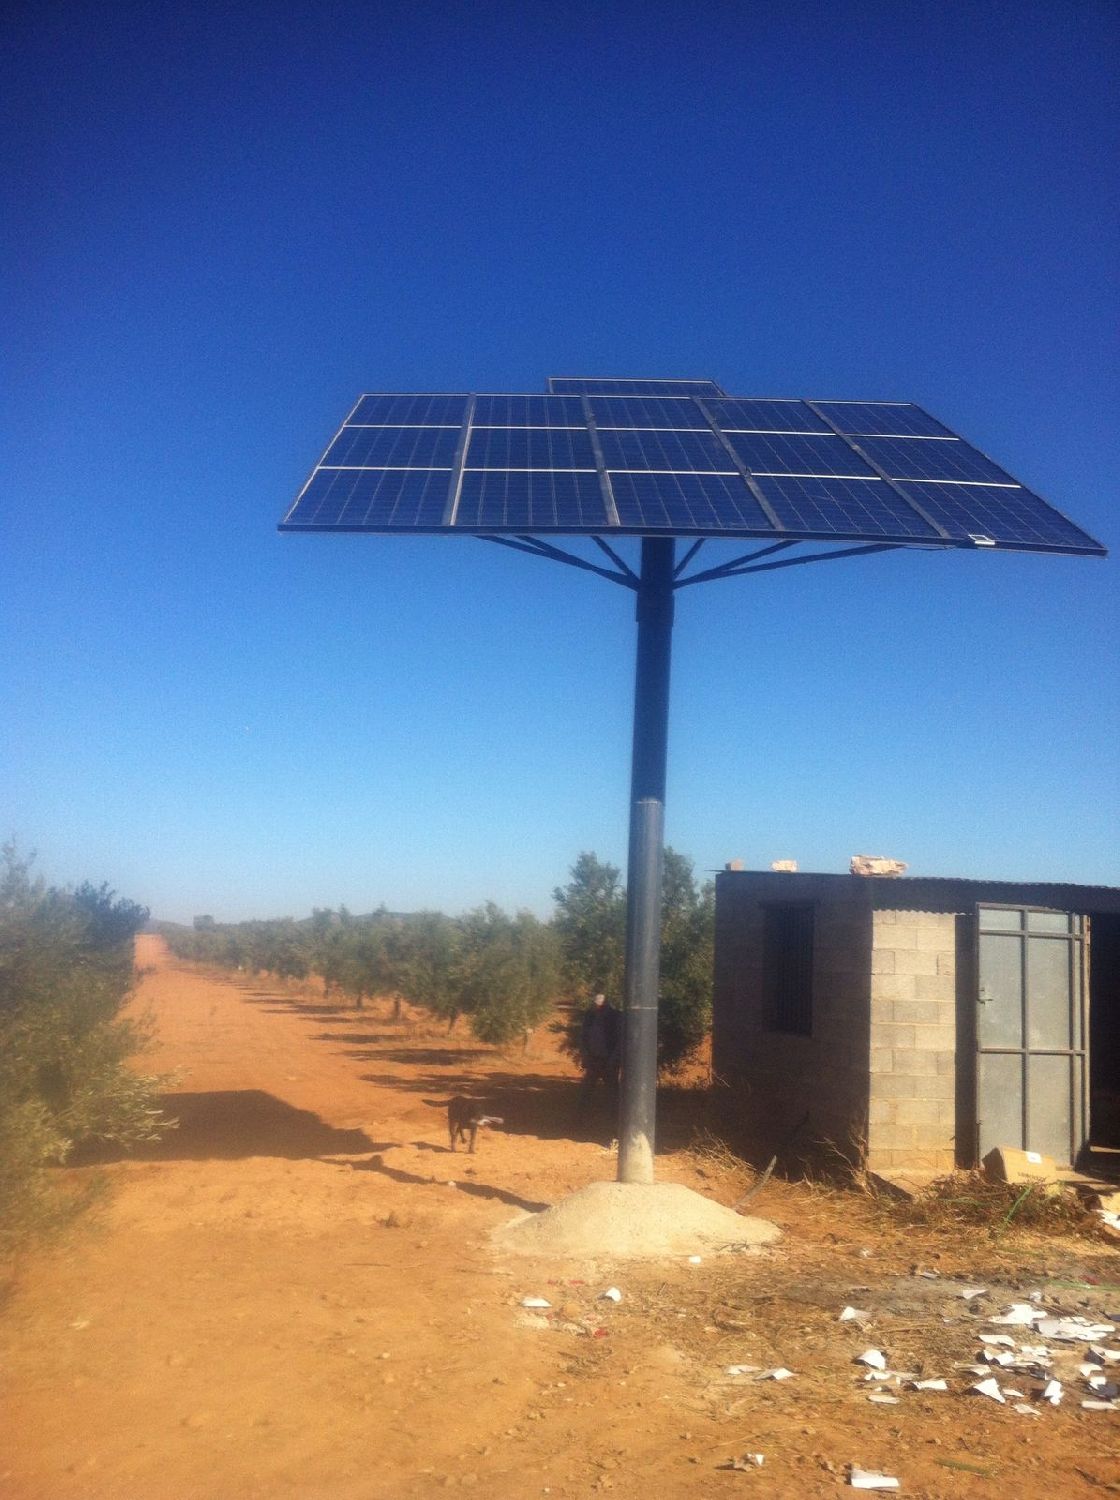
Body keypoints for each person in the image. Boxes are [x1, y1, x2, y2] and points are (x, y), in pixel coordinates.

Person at [579, 991, 622, 1110]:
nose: (598, 1006)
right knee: (587, 1088)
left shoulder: (616, 1016)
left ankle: (614, 1114)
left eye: (601, 1004)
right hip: (593, 1059)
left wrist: (614, 1059)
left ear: (607, 1004)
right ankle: (581, 1113)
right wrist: (585, 1056)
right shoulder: (589, 1016)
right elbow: (583, 1037)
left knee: (612, 1089)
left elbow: (620, 1040)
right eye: (597, 1004)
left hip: (609, 1059)